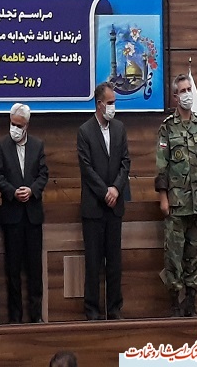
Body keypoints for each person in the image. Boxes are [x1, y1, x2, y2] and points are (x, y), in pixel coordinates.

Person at [155, 73, 197, 317]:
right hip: (175, 203)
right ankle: (174, 302)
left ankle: (191, 302)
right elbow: (161, 166)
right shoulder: (167, 127)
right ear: (175, 96)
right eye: (183, 91)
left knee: (195, 254)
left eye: (189, 89)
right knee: (174, 256)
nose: (187, 94)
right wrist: (163, 197)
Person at [77, 81, 131, 320]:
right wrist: (105, 192)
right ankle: (92, 310)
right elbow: (86, 168)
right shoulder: (85, 131)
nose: (113, 107)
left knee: (114, 262)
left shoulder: (120, 128)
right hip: (94, 207)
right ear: (99, 104)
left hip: (115, 205)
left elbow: (125, 162)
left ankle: (115, 308)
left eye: (114, 102)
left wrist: (116, 189)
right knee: (93, 262)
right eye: (110, 103)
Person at [0, 103, 49, 323]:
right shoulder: (1, 145)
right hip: (12, 216)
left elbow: (43, 174)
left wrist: (32, 190)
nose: (15, 129)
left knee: (35, 269)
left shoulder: (38, 145)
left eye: (19, 125)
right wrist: (12, 192)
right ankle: (15, 317)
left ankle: (36, 315)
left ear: (27, 125)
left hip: (33, 216)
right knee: (13, 270)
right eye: (12, 124)